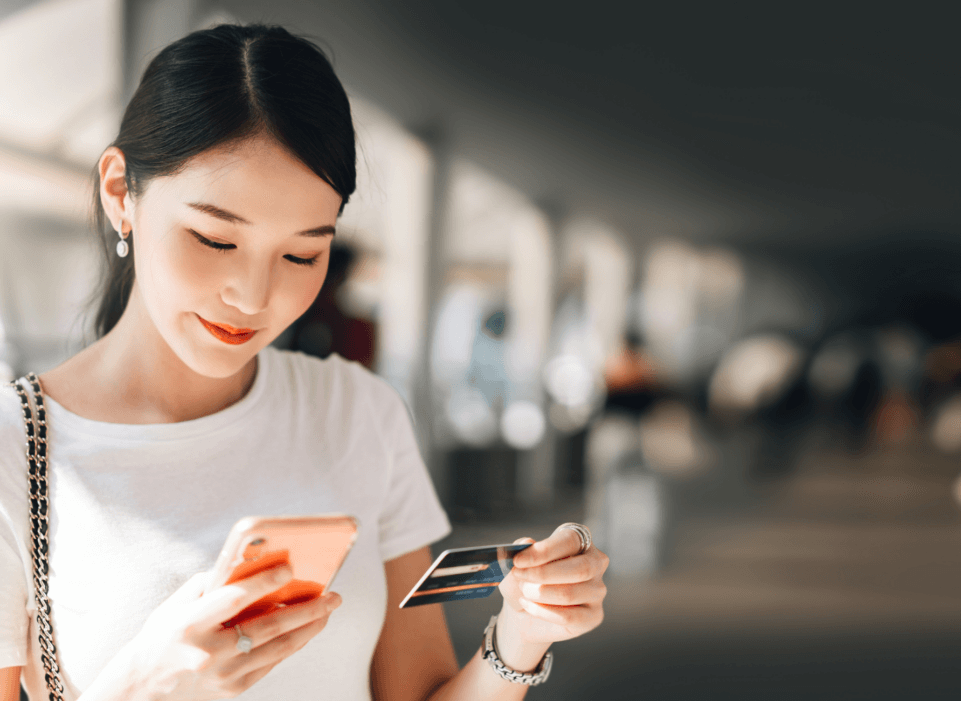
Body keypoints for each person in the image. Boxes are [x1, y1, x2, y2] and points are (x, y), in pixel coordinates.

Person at [0, 24, 608, 701]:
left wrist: (521, 633)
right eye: (213, 238)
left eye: (301, 254)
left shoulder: (358, 412)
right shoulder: (14, 447)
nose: (253, 297)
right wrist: (148, 683)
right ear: (121, 193)